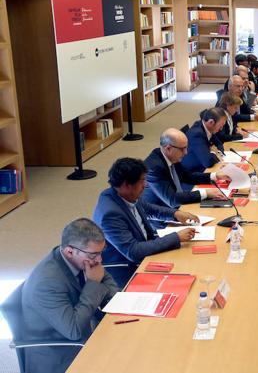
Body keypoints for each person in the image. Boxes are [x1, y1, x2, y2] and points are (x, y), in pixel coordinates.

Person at [20, 218, 119, 373]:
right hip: (60, 354)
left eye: (101, 252)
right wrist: (93, 283)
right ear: (70, 251)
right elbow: (74, 331)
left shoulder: (81, 257)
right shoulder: (47, 284)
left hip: (85, 329)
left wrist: (116, 299)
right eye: (94, 255)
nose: (99, 259)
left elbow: (104, 279)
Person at [93, 158, 199, 287]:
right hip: (128, 267)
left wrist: (175, 214)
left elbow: (148, 208)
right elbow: (133, 252)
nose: (146, 185)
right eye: (142, 180)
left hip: (146, 246)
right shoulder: (110, 214)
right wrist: (176, 237)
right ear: (127, 185)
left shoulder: (124, 194)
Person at [142, 128, 230, 211]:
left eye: (186, 148)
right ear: (168, 148)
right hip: (164, 216)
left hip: (179, 205)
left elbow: (188, 176)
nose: (186, 152)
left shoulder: (170, 156)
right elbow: (172, 200)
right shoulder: (154, 169)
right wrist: (206, 193)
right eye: (182, 149)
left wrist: (215, 176)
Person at [181, 107, 227, 173]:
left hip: (203, 166)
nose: (221, 129)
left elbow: (219, 143)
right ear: (211, 122)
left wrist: (217, 152)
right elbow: (208, 162)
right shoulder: (196, 134)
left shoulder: (208, 128)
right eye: (220, 126)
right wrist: (214, 153)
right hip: (195, 172)